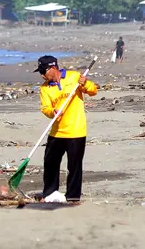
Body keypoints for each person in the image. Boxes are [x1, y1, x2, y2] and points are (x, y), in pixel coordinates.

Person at [34, 55, 98, 203]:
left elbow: (93, 91)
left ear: (53, 68)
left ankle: (73, 196)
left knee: (74, 165)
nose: (42, 75)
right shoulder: (45, 88)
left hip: (76, 130)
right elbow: (45, 108)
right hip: (56, 132)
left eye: (44, 70)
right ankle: (50, 192)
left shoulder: (74, 76)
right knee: (50, 163)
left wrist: (85, 83)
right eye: (40, 72)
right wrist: (53, 112)